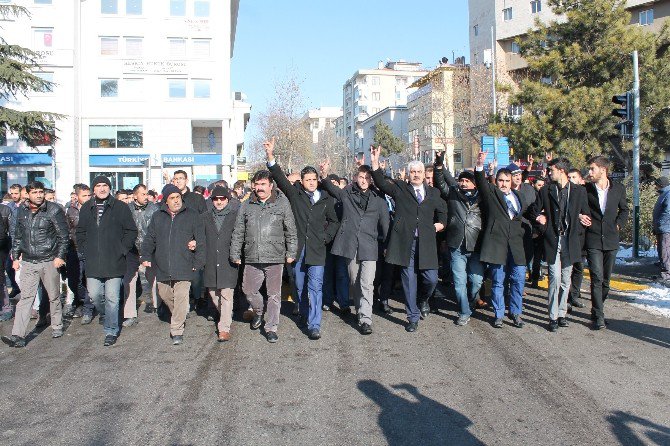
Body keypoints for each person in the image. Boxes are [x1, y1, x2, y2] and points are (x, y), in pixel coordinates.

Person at [265, 137, 339, 340]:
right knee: (300, 285)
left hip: (317, 249)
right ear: (302, 182)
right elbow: (279, 177)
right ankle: (305, 314)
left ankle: (314, 325)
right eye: (308, 180)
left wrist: (326, 237)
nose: (312, 183)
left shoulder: (325, 198)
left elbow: (334, 222)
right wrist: (270, 156)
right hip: (297, 248)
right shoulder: (294, 193)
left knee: (315, 286)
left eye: (314, 180)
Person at [370, 145, 447, 332]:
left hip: (427, 242)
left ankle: (423, 299)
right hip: (406, 242)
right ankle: (412, 317)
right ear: (409, 174)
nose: (416, 174)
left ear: (423, 173)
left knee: (431, 279)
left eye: (419, 171)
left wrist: (441, 223)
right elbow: (381, 182)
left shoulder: (433, 193)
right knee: (408, 279)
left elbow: (443, 210)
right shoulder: (400, 189)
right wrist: (374, 163)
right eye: (413, 172)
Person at [319, 159, 389, 335]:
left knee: (367, 283)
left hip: (370, 245)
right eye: (361, 176)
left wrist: (387, 244)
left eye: (367, 177)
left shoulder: (378, 199)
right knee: (354, 281)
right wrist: (325, 174)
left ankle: (366, 319)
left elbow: (385, 223)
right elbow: (332, 188)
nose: (363, 180)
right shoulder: (347, 193)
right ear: (356, 177)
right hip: (350, 245)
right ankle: (360, 309)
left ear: (371, 180)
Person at [230, 170, 298, 343]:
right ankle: (259, 311)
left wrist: (291, 252)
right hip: (252, 256)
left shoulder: (282, 203)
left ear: (270, 185)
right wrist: (235, 253)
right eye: (257, 184)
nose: (259, 188)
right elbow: (238, 231)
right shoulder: (246, 205)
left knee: (274, 295)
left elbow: (290, 230)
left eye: (263, 184)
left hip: (275, 257)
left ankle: (271, 327)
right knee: (248, 290)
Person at [1, 181, 69, 348]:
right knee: (26, 298)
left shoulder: (53, 210)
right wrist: (16, 258)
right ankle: (18, 335)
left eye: (41, 192)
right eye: (35, 192)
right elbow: (18, 236)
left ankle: (57, 325)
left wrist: (60, 256)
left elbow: (63, 236)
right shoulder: (22, 211)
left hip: (49, 260)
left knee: (53, 295)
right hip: (29, 261)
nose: (39, 195)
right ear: (28, 194)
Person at [529, 158, 590, 332]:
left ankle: (562, 313)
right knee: (554, 278)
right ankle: (552, 317)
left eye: (551, 170)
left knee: (565, 279)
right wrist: (539, 218)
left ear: (561, 171)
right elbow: (533, 210)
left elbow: (585, 213)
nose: (549, 173)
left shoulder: (579, 191)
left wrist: (579, 217)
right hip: (552, 239)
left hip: (570, 241)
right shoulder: (547, 190)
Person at [76, 176, 137, 346]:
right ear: (93, 189)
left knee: (112, 297)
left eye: (105, 185)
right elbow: (80, 231)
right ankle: (107, 314)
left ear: (109, 188)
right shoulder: (87, 207)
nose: (102, 189)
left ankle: (110, 330)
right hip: (93, 261)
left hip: (115, 260)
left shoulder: (120, 207)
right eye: (98, 186)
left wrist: (122, 249)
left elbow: (131, 231)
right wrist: (83, 248)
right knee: (95, 296)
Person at [141, 184, 205, 345]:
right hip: (163, 265)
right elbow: (150, 238)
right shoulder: (158, 216)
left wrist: (198, 261)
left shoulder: (192, 215)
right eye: (172, 198)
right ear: (166, 201)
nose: (176, 201)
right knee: (165, 294)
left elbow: (201, 240)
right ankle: (180, 312)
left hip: (185, 263)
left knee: (182, 295)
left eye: (178, 197)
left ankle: (176, 329)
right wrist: (146, 256)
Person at [474, 151, 530, 328]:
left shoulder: (518, 196)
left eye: (507, 181)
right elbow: (481, 182)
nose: (504, 184)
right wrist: (480, 164)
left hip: (516, 246)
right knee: (498, 281)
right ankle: (498, 314)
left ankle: (515, 313)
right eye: (501, 181)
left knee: (519, 279)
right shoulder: (492, 194)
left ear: (511, 181)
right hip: (497, 245)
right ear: (496, 182)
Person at [433, 151, 484, 327]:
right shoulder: (453, 194)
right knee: (459, 282)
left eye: (466, 180)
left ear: (474, 183)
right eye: (461, 180)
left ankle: (470, 302)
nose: (462, 183)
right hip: (456, 245)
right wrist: (439, 164)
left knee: (476, 281)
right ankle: (463, 312)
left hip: (476, 245)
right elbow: (440, 182)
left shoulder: (482, 197)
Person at [581, 156, 629, 330]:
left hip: (610, 239)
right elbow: (577, 208)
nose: (589, 172)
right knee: (596, 278)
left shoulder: (618, 189)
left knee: (606, 281)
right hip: (593, 238)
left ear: (603, 170)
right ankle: (599, 316)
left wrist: (618, 224)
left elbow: (624, 210)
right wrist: (580, 216)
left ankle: (596, 308)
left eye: (592, 169)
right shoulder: (585, 190)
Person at [202, 186, 239, 341]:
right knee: (213, 293)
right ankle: (226, 313)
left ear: (227, 200)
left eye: (222, 199)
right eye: (216, 199)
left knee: (226, 294)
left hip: (228, 260)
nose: (219, 201)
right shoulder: (204, 217)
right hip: (210, 260)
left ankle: (224, 328)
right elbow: (198, 235)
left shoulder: (235, 216)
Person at [122, 184, 159, 327]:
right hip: (131, 250)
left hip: (150, 249)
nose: (146, 197)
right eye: (143, 194)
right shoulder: (127, 209)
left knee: (154, 279)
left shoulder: (154, 209)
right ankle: (130, 314)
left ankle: (158, 306)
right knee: (129, 281)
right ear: (135, 195)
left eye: (147, 194)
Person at [64, 184, 94, 322]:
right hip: (74, 250)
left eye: (89, 195)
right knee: (74, 280)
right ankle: (79, 301)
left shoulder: (96, 209)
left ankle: (88, 308)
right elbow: (65, 231)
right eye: (84, 196)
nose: (88, 198)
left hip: (90, 250)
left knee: (90, 279)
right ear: (76, 196)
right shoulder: (70, 211)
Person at [567, 168, 587, 309]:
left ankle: (574, 295)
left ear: (580, 180)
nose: (571, 179)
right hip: (568, 235)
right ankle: (565, 297)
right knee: (568, 268)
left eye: (574, 177)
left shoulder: (584, 192)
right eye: (569, 177)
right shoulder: (564, 193)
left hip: (582, 236)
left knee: (579, 267)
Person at [652, 176, 670, 286]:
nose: (655, 186)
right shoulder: (664, 194)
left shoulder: (667, 194)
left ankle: (667, 275)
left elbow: (668, 212)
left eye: (656, 184)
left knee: (665, 250)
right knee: (663, 250)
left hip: (665, 228)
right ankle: (665, 271)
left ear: (660, 184)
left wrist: (659, 223)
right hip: (662, 227)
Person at [0, 202, 13, 321]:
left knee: (1, 280)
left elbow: (11, 231)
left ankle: (6, 308)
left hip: (1, 248)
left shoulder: (5, 210)